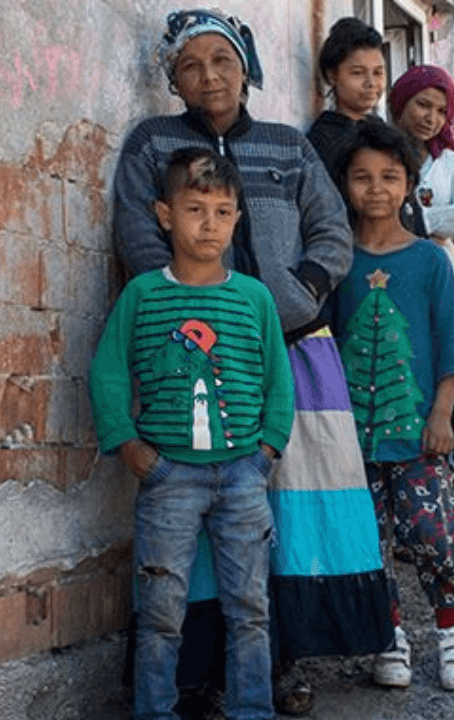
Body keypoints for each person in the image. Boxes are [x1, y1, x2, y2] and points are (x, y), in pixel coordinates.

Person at [112, 9, 394, 716]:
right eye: (190, 65)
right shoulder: (152, 143)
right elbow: (138, 236)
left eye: (223, 61)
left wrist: (297, 296)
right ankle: (194, 679)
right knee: (195, 536)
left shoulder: (286, 147)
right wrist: (185, 315)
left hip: (291, 353)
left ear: (247, 68)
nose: (209, 75)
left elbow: (331, 231)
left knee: (289, 518)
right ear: (171, 77)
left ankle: (280, 670)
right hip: (189, 362)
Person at [90, 148, 293, 720]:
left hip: (243, 476)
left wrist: (266, 451)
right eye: (195, 208)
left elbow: (280, 378)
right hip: (168, 478)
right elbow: (107, 369)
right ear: (164, 214)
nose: (209, 224)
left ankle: (253, 709)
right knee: (160, 608)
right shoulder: (144, 295)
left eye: (223, 212)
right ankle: (155, 711)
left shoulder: (253, 298)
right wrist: (129, 445)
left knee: (250, 607)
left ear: (237, 219)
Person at [329, 120, 454, 690]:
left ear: (410, 184)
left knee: (434, 532)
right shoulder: (337, 263)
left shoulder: (429, 261)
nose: (375, 189)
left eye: (390, 177)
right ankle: (387, 635)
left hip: (418, 433)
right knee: (369, 540)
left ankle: (453, 631)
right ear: (344, 184)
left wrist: (440, 415)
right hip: (352, 438)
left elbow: (450, 349)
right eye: (362, 177)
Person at [388, 64, 454, 537]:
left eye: (441, 109)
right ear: (400, 104)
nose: (431, 117)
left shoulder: (450, 164)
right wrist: (430, 219)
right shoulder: (383, 152)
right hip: (395, 294)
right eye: (422, 105)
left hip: (453, 294)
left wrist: (409, 218)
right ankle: (407, 518)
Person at [306, 16, 387, 182]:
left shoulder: (382, 129)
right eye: (357, 73)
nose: (371, 83)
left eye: (378, 73)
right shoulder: (323, 140)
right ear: (332, 76)